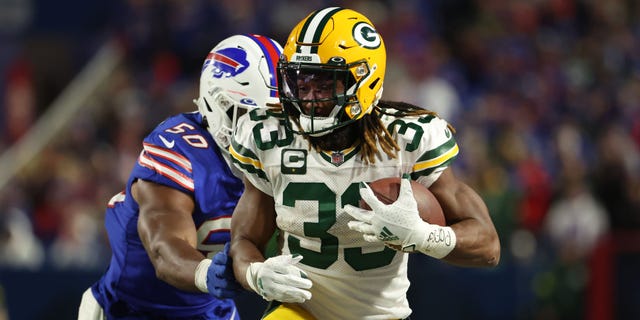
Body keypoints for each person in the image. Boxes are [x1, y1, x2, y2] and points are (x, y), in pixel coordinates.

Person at [227, 7, 500, 320]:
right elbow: (243, 240)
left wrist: (422, 236)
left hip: (380, 315)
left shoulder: (406, 139)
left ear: (365, 80)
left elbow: (488, 246)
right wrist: (255, 274)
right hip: (299, 309)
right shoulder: (268, 136)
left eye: (325, 85)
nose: (309, 98)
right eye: (302, 84)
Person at [77, 34, 283, 319]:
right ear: (217, 104)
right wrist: (206, 273)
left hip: (212, 311)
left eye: (278, 115)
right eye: (253, 114)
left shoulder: (283, 155)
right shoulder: (180, 148)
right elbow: (165, 250)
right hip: (132, 308)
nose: (267, 129)